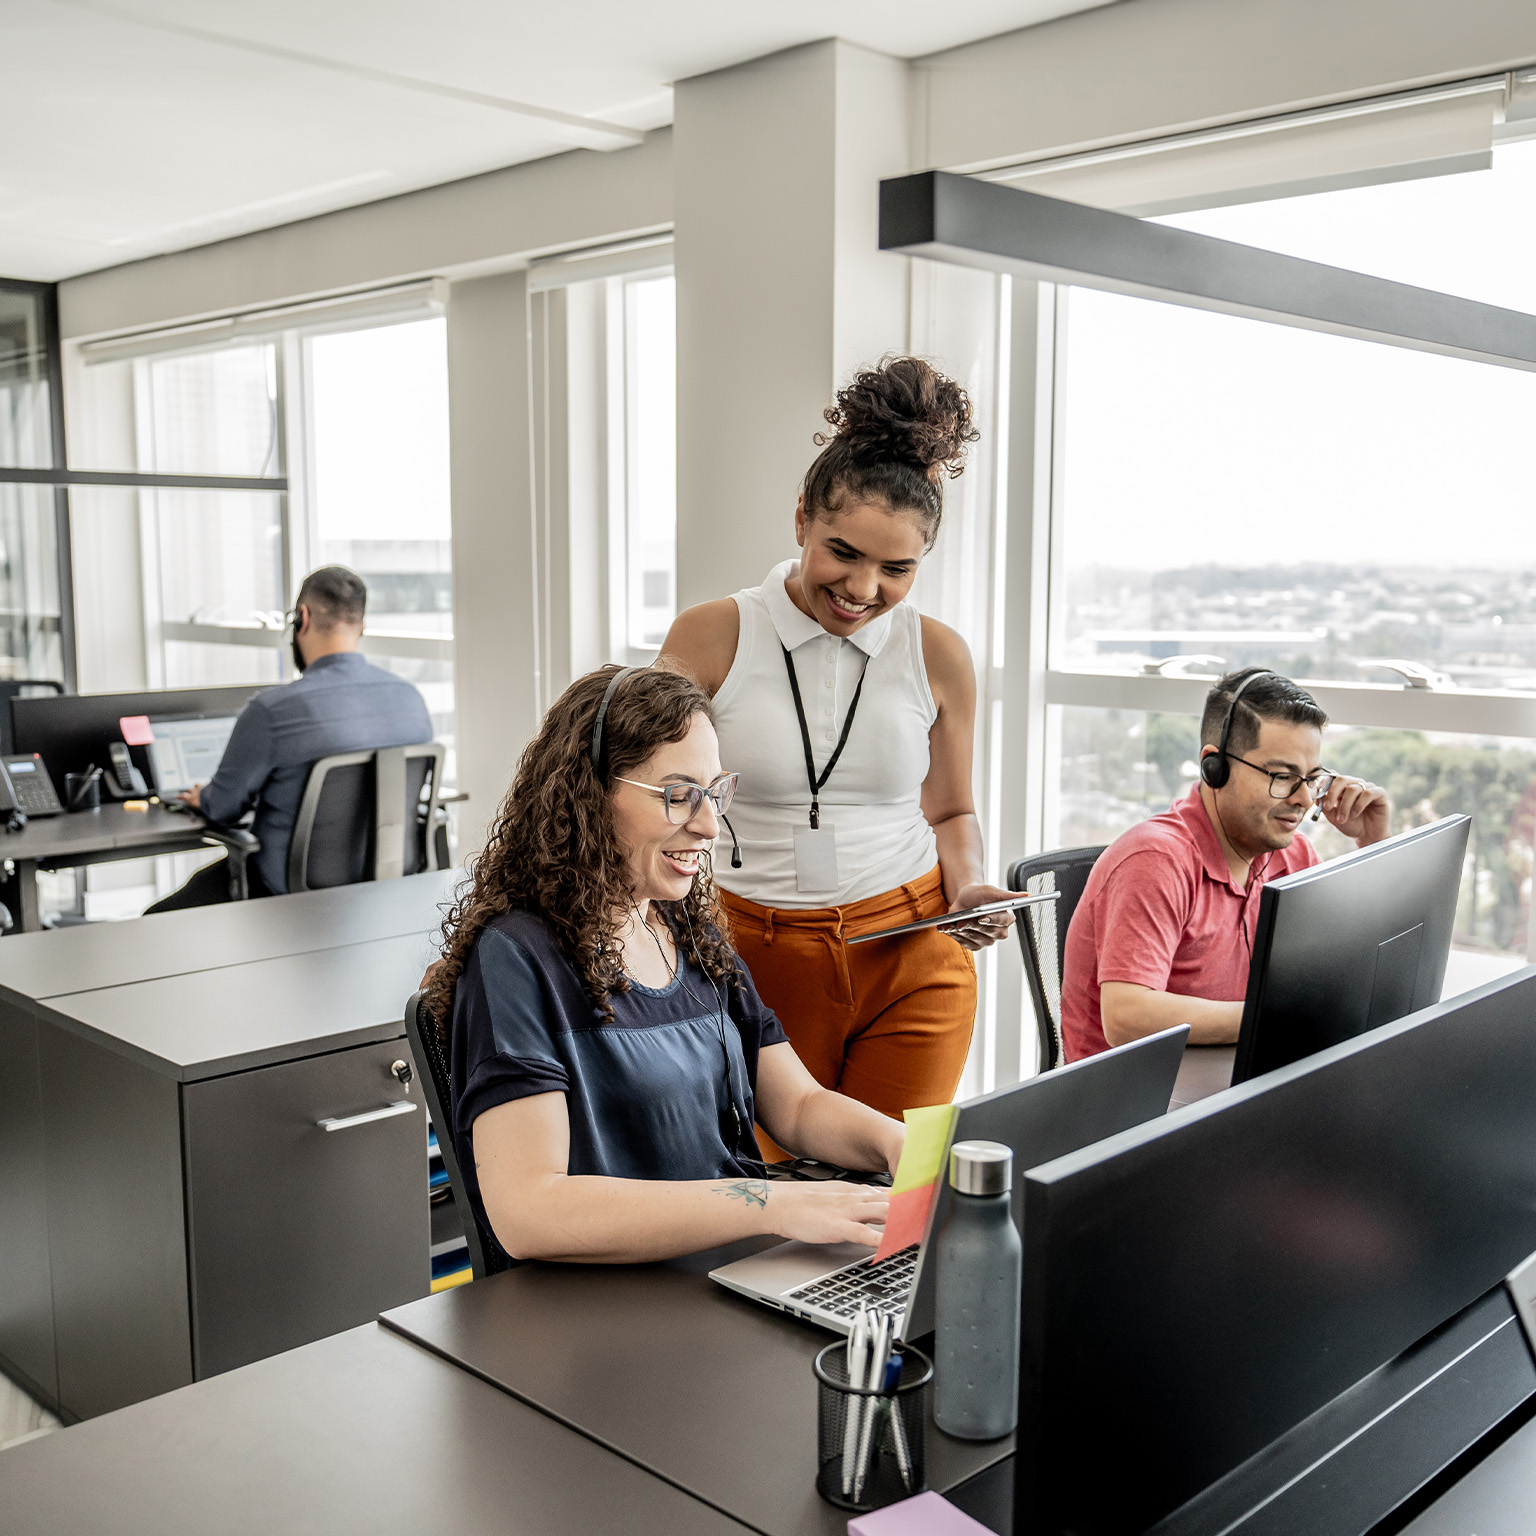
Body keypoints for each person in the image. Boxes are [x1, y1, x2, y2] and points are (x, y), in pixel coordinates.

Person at [425, 665, 904, 1265]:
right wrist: (773, 1204)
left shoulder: (688, 932)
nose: (707, 825)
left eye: (714, 793)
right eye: (679, 795)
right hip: (611, 1307)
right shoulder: (518, 957)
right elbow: (530, 1211)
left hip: (727, 1267)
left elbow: (798, 1106)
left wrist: (896, 1143)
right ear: (589, 792)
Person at [659, 357, 1015, 1146]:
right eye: (843, 552)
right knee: (771, 1198)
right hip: (752, 953)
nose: (862, 588)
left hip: (908, 943)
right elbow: (651, 797)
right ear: (801, 523)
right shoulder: (713, 634)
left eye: (897, 568)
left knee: (898, 1189)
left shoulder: (941, 655)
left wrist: (971, 887)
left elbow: (952, 809)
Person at [1060, 668, 1391, 1061]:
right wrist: (1270, 1017)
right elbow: (1126, 1016)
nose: (1303, 798)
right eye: (1283, 776)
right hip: (1138, 1109)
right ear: (1215, 767)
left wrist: (1373, 844)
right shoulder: (1155, 861)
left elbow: (1352, 975)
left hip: (1231, 1085)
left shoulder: (1292, 856)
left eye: (1312, 779)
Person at [146, 565, 432, 911]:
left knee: (155, 917)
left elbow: (222, 807)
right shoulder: (411, 701)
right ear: (362, 625)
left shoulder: (272, 711)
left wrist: (201, 796)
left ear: (302, 618)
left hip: (286, 896)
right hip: (383, 893)